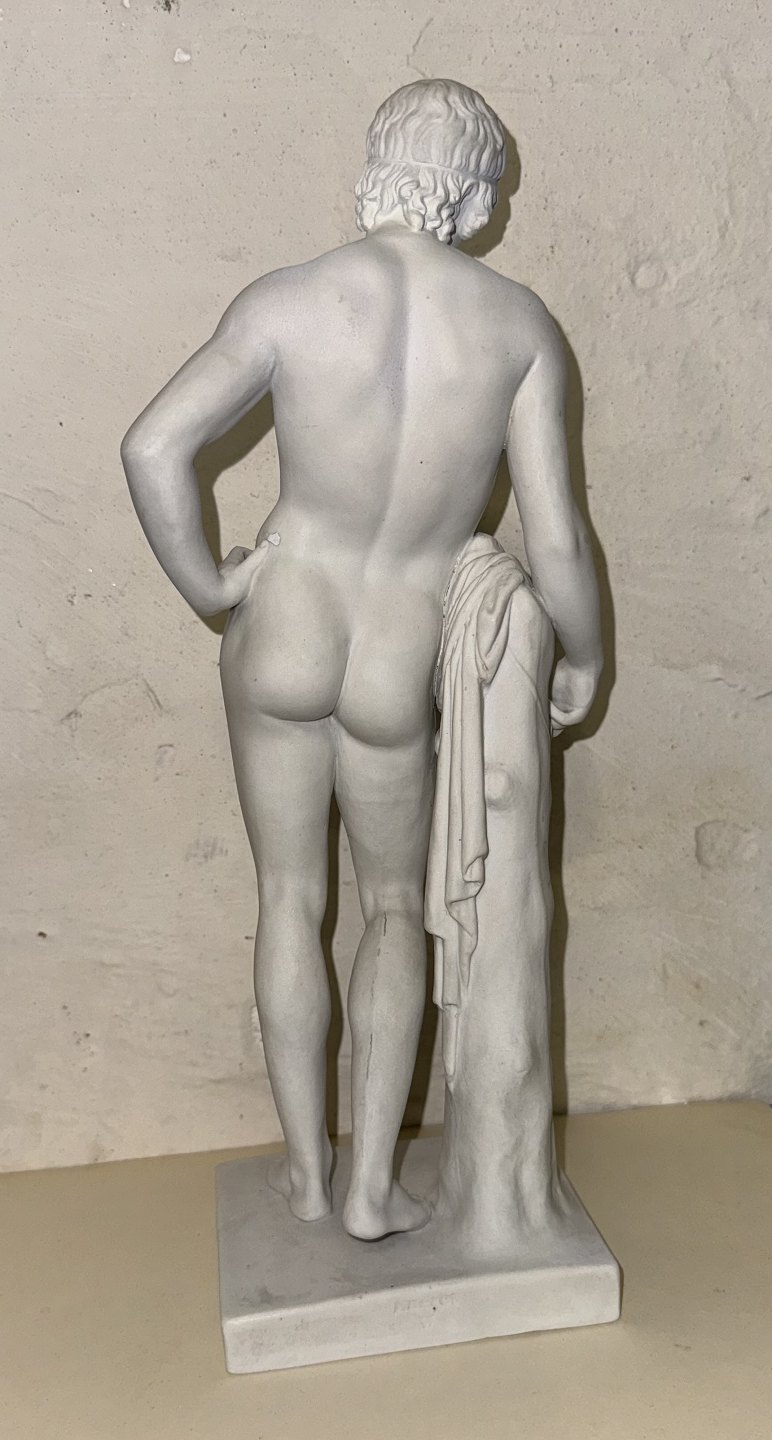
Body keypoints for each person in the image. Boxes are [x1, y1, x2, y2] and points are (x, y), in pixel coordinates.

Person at [121, 78, 602, 1240]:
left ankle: (303, 1173)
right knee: (393, 909)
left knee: (288, 898)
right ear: (476, 195)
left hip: (283, 622)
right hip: (400, 649)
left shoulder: (289, 300)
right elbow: (555, 537)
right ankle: (371, 1185)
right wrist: (582, 654)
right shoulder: (517, 328)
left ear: (379, 164)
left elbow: (151, 446)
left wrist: (210, 586)